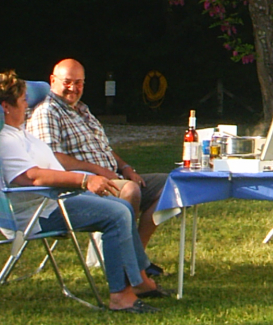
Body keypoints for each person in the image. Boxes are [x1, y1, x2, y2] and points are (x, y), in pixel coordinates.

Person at [0, 70, 170, 313]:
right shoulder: (6, 139)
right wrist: (84, 180)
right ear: (6, 107)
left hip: (49, 202)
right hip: (38, 213)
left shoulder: (16, 132)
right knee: (116, 215)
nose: (27, 104)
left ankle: (138, 280)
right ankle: (121, 295)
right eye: (22, 101)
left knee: (122, 207)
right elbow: (32, 176)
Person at [26, 58, 167, 275]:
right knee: (129, 190)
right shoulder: (47, 111)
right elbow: (51, 156)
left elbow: (104, 149)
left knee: (168, 186)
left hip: (111, 175)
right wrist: (98, 171)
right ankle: (129, 264)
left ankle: (135, 256)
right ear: (53, 80)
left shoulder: (81, 110)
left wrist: (126, 167)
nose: (73, 88)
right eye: (67, 82)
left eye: (79, 82)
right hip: (80, 185)